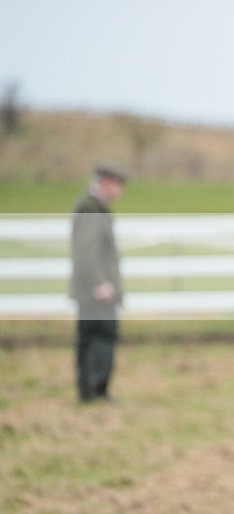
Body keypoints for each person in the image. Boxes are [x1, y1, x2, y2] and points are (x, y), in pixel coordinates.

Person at [69, 162, 127, 403]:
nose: (120, 191)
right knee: (100, 337)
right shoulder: (91, 208)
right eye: (118, 185)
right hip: (96, 291)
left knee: (92, 338)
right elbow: (87, 251)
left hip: (93, 289)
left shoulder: (94, 207)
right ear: (106, 182)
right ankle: (94, 390)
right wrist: (99, 283)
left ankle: (91, 391)